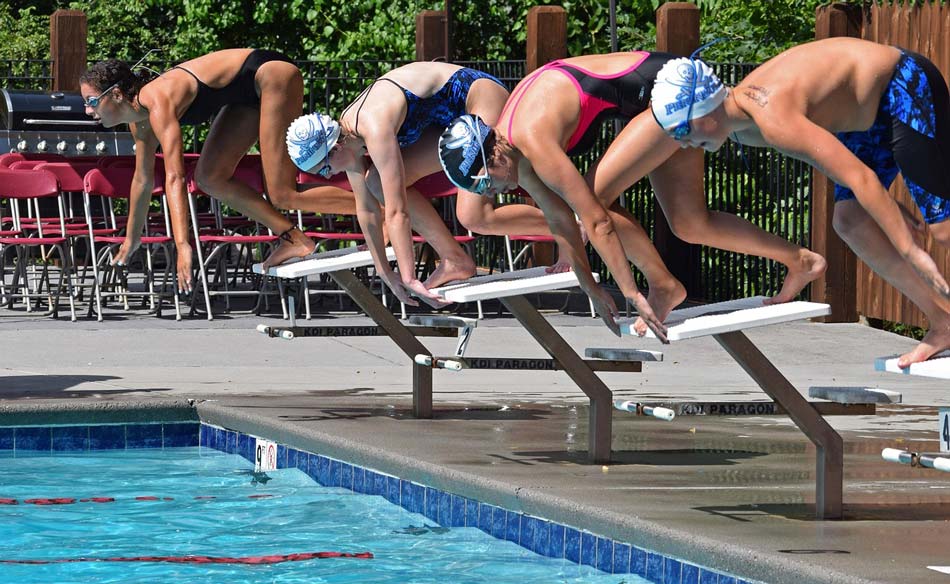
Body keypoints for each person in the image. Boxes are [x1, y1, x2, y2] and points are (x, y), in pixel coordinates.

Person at [439, 52, 826, 339]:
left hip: (671, 91)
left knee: (594, 198)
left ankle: (661, 286)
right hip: (654, 107)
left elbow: (596, 221)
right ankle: (801, 260)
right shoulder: (513, 151)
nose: (497, 192)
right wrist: (588, 284)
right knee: (690, 223)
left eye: (487, 183)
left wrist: (629, 292)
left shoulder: (531, 139)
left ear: (492, 154)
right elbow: (558, 221)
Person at [650, 37, 950, 366]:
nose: (685, 144)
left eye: (681, 131)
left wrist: (911, 251)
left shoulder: (771, 118)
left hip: (904, 85)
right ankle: (943, 321)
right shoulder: (743, 125)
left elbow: (859, 178)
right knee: (850, 220)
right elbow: (837, 165)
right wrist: (888, 207)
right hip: (866, 117)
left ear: (705, 107)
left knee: (942, 232)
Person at [79, 49, 357, 294]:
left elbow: (174, 176)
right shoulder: (140, 123)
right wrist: (132, 238)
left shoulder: (157, 99)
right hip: (245, 96)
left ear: (115, 95)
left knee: (282, 193)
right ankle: (294, 238)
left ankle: (381, 210)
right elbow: (142, 180)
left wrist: (183, 244)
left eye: (91, 102)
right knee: (209, 178)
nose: (87, 111)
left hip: (271, 74)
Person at [286, 61, 558, 308]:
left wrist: (408, 276)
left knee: (475, 216)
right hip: (449, 120)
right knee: (376, 183)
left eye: (324, 168)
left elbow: (397, 211)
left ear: (335, 147)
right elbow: (367, 210)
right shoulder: (350, 139)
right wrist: (383, 270)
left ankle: (567, 228)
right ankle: (455, 259)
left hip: (479, 99)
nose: (328, 175)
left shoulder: (374, 127)